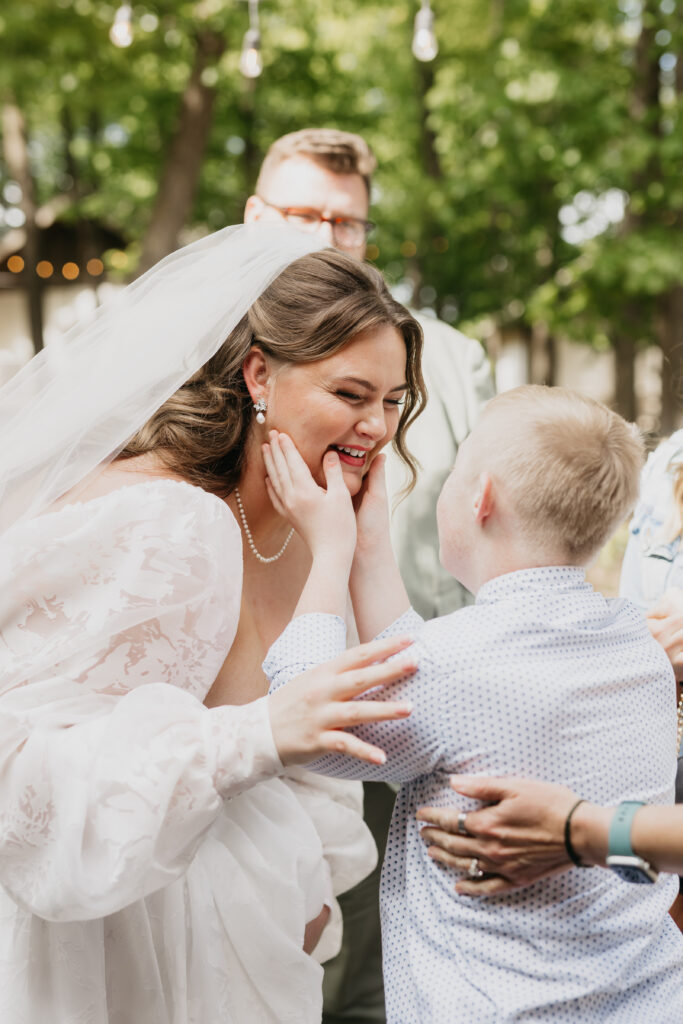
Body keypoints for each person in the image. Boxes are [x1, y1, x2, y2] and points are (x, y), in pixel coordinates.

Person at [0, 224, 426, 1023]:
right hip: (116, 958)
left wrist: (313, 901)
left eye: (392, 401)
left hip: (251, 954)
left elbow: (357, 737)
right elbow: (22, 773)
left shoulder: (312, 528)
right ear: (260, 373)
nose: (376, 428)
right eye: (349, 395)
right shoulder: (162, 525)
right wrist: (255, 735)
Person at [263, 385, 683, 1022]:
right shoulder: (638, 642)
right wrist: (371, 544)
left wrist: (330, 552)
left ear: (480, 498)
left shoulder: (450, 667)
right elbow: (421, 669)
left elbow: (307, 710)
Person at [244, 127, 493, 1022]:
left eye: (345, 221)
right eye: (303, 214)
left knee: (394, 971)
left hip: (419, 708)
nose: (325, 236)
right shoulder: (205, 368)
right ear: (253, 215)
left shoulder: (452, 360)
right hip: (265, 718)